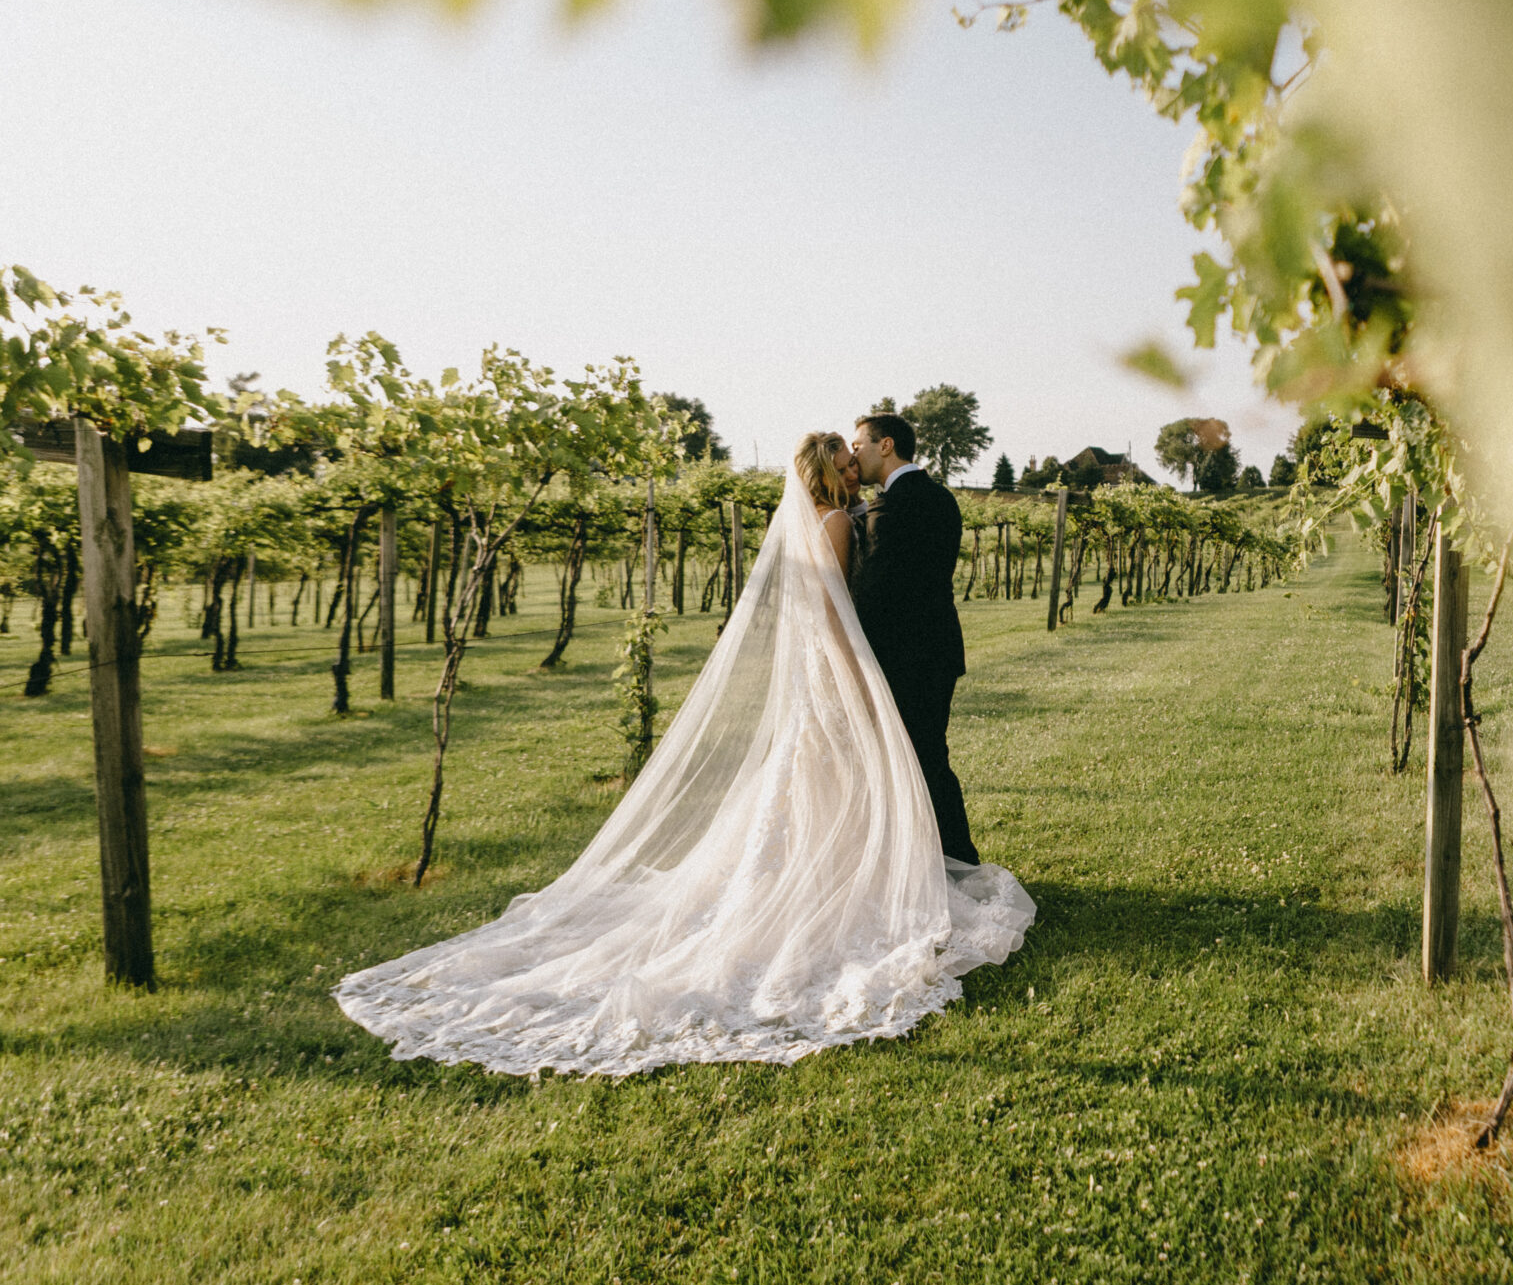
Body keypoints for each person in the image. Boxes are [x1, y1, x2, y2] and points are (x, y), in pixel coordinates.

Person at [332, 430, 1033, 1076]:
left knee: (811, 781)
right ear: (830, 473)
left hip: (813, 675)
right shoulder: (842, 522)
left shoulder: (813, 521)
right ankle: (835, 889)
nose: (857, 468)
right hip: (836, 669)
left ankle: (808, 879)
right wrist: (859, 676)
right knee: (833, 781)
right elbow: (836, 612)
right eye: (847, 462)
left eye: (859, 458)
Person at [845, 412, 979, 864]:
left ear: (885, 445)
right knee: (925, 758)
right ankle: (935, 861)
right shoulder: (937, 497)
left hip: (908, 658)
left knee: (920, 761)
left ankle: (955, 864)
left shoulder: (898, 504)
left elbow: (877, 593)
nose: (853, 454)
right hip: (935, 651)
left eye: (858, 444)